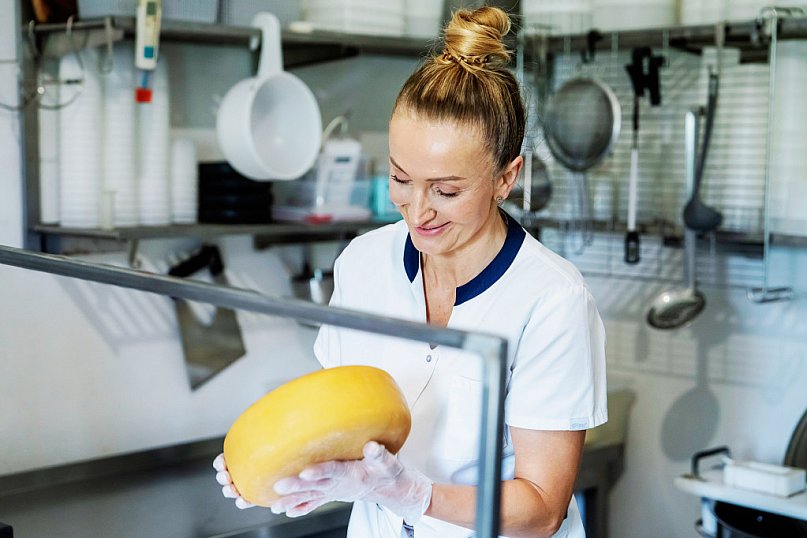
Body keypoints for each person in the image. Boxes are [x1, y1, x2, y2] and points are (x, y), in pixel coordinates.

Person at [214, 6, 607, 537]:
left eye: (446, 191)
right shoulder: (363, 263)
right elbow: (345, 420)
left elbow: (541, 509)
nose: (417, 210)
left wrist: (410, 494)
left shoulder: (552, 299)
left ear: (506, 177)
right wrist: (305, 474)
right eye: (401, 178)